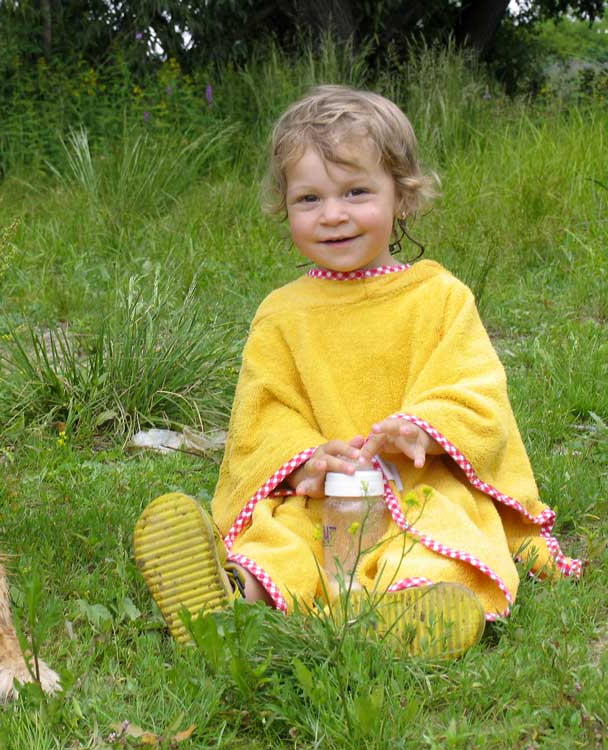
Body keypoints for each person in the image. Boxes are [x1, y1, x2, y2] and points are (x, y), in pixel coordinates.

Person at [133, 85, 582, 657]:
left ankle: (412, 613)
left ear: (403, 196)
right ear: (285, 206)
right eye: (309, 199)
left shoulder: (437, 298)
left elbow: (476, 393)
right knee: (284, 541)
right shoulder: (282, 314)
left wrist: (425, 428)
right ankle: (225, 599)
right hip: (322, 496)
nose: (334, 215)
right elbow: (264, 413)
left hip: (418, 491)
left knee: (436, 543)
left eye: (356, 192)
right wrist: (304, 459)